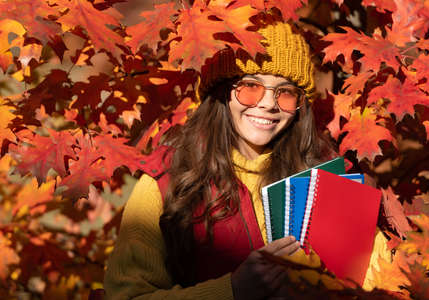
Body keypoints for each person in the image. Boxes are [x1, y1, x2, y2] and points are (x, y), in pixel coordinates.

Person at [103, 21, 390, 300]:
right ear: (222, 92)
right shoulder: (167, 180)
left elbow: (381, 284)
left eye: (285, 92)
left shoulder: (331, 176)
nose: (267, 104)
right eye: (250, 86)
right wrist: (232, 291)